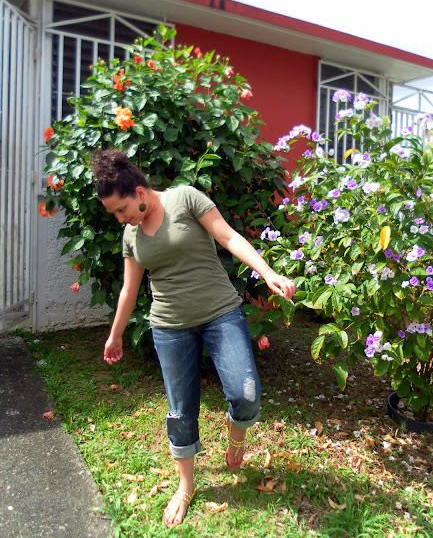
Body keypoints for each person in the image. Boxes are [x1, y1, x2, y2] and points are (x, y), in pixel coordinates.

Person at [91, 149, 295, 527]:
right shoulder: (131, 234)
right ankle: (186, 484)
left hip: (220, 313)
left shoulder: (185, 198)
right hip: (169, 326)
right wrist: (115, 335)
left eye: (121, 209)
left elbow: (228, 237)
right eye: (114, 214)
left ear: (139, 193)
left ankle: (236, 435)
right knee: (180, 409)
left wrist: (268, 273)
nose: (120, 218)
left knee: (246, 394)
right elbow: (129, 290)